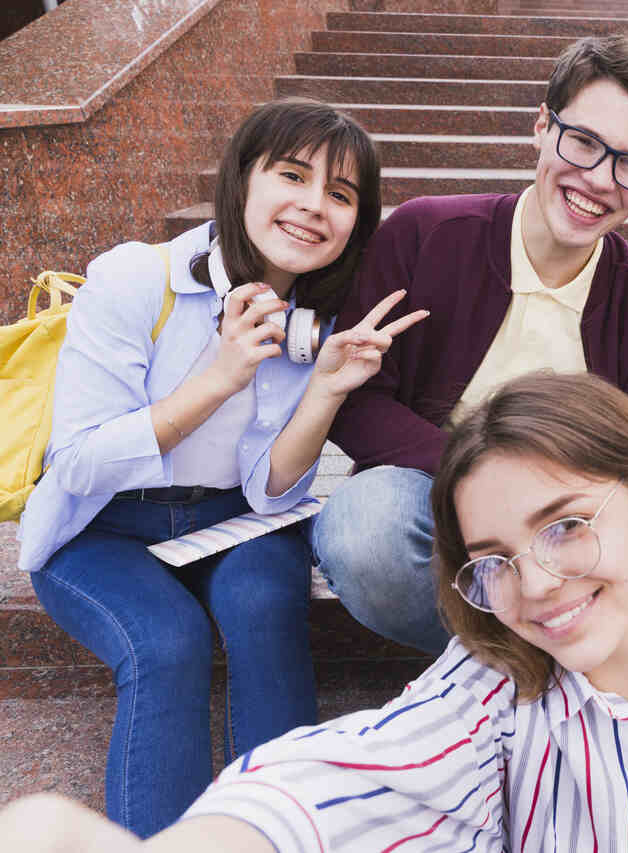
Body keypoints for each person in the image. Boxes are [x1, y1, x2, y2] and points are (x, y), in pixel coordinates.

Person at [0, 371, 628, 853]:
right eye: (491, 560)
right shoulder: (499, 687)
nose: (534, 586)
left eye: (564, 524)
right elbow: (354, 776)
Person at [15, 98, 427, 838]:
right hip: (98, 527)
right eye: (292, 176)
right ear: (242, 179)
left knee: (265, 605)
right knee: (166, 638)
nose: (311, 206)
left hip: (230, 520)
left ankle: (282, 832)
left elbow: (275, 492)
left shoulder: (320, 322)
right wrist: (218, 376)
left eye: (339, 194)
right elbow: (74, 465)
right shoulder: (137, 279)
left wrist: (327, 388)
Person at [310, 34, 628, 652]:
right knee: (365, 526)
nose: (598, 180)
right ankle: (502, 667)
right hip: (435, 496)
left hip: (575, 528)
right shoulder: (427, 234)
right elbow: (357, 402)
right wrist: (482, 480)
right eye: (584, 143)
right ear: (542, 126)